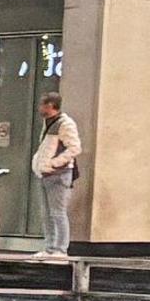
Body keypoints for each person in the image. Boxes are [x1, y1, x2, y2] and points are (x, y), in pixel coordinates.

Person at [34, 91, 83, 256]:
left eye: (42, 104)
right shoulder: (48, 122)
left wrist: (54, 163)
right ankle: (50, 248)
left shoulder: (65, 124)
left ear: (49, 106)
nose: (39, 108)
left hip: (59, 174)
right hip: (45, 174)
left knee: (58, 212)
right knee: (47, 213)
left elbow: (74, 147)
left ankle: (61, 249)